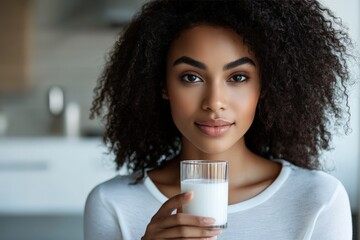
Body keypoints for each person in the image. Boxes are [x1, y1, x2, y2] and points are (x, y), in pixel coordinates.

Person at [84, 0, 354, 239]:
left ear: (266, 86)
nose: (214, 103)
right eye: (191, 77)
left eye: (238, 78)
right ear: (163, 85)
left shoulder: (319, 201)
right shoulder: (112, 204)